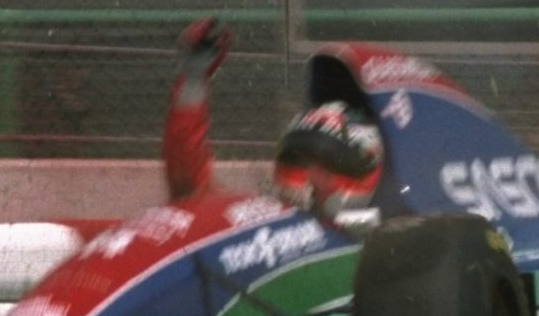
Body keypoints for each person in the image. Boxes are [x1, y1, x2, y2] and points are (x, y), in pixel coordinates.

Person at [164, 17, 384, 229]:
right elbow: (193, 196)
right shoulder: (269, 228)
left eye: (326, 167)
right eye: (302, 159)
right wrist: (192, 84)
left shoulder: (392, 239)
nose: (311, 175)